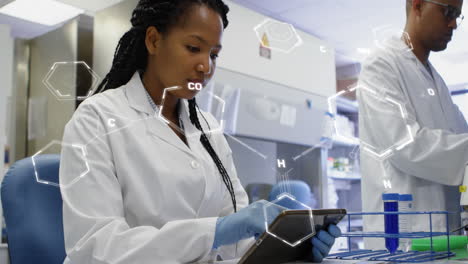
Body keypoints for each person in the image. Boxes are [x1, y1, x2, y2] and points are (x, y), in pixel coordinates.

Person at [59, 0, 340, 263]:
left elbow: (239, 240)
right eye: (194, 48)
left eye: (214, 54)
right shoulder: (96, 118)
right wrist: (216, 231)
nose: (206, 66)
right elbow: (94, 248)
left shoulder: (208, 129)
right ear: (154, 40)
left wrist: (291, 248)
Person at [359, 0, 468, 246]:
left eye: (457, 16)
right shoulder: (381, 66)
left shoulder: (437, 83)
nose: (453, 24)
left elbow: (461, 141)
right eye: (448, 12)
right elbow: (406, 146)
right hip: (403, 242)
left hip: (446, 241)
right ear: (418, 5)